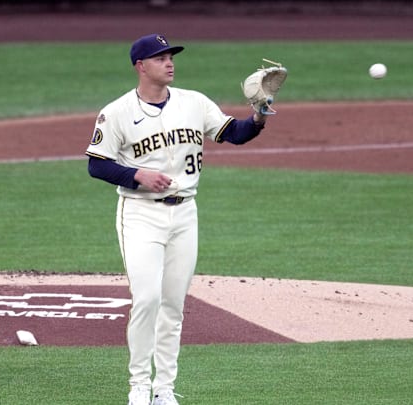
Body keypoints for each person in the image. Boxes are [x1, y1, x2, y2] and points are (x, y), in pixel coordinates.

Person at [85, 33, 273, 405]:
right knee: (147, 299)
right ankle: (138, 386)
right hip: (140, 214)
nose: (169, 63)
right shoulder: (118, 111)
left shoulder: (193, 102)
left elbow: (232, 133)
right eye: (160, 58)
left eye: (170, 56)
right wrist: (137, 175)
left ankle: (164, 389)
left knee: (173, 305)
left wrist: (259, 115)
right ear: (141, 66)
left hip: (185, 213)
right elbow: (97, 164)